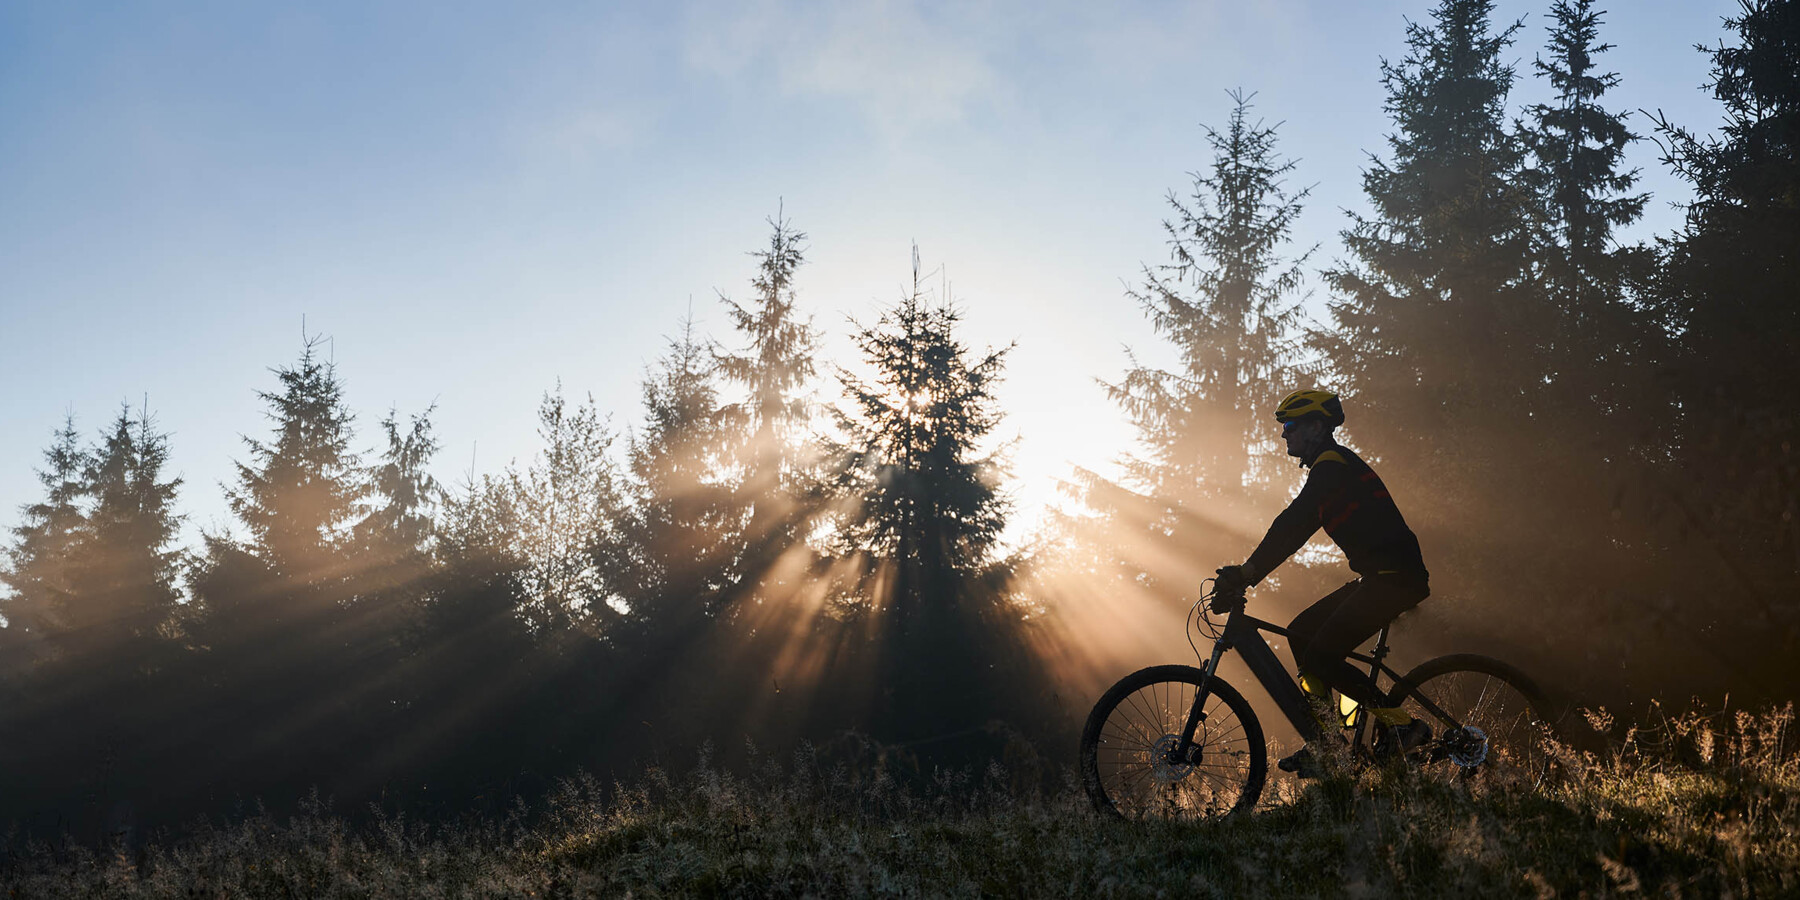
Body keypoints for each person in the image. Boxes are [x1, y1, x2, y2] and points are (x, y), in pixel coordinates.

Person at [1214, 389, 1432, 776]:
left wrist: (1247, 574)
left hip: (1394, 579)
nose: (1284, 434)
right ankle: (1329, 743)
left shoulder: (1332, 466)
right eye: (1284, 427)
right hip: (1382, 577)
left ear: (1317, 427)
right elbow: (1294, 527)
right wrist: (1249, 574)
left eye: (1291, 426)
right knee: (1300, 634)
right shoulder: (1330, 467)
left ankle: (1400, 724)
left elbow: (1293, 525)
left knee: (1320, 655)